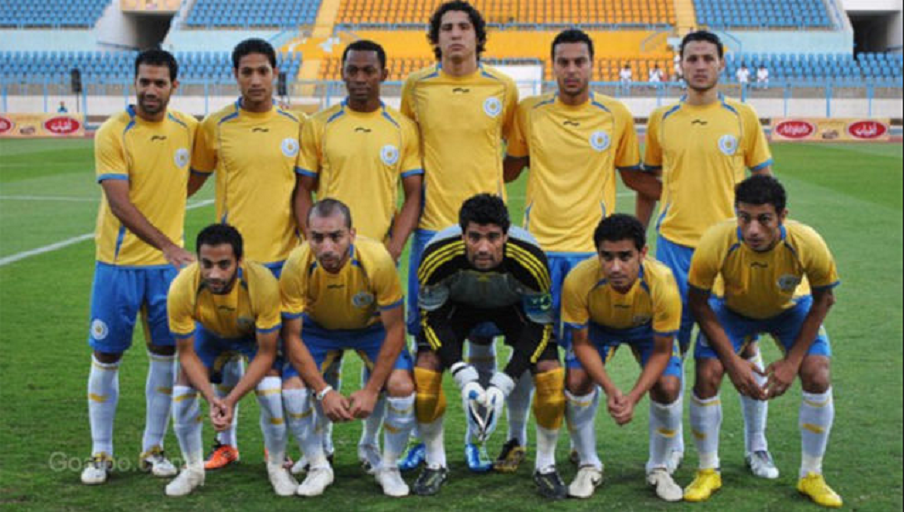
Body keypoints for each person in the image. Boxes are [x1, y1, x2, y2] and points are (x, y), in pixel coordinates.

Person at [501, 28, 659, 474]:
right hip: (537, 252)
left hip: (593, 258)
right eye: (563, 62)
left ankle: (576, 445)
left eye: (579, 62)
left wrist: (684, 193)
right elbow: (507, 170)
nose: (572, 70)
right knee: (529, 349)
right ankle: (515, 439)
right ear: (553, 66)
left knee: (577, 362)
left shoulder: (615, 115)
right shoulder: (529, 113)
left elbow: (633, 178)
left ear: (592, 64)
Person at [642, 30, 775, 478]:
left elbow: (764, 183)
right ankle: (673, 445)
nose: (699, 65)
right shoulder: (662, 119)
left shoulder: (743, 117)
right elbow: (649, 183)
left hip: (730, 251)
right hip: (672, 249)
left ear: (721, 64)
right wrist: (640, 236)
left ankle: (757, 445)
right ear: (680, 64)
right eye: (692, 58)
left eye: (707, 58)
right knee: (669, 350)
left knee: (744, 345)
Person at [400, 0, 519, 472]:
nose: (454, 35)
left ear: (477, 35)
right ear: (437, 37)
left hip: (488, 235)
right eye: (446, 28)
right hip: (432, 231)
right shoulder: (417, 88)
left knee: (484, 338)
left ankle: (478, 438)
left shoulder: (502, 88)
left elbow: (514, 152)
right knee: (425, 340)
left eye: (463, 27)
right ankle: (418, 439)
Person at [294, 39, 423, 474]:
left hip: (377, 264)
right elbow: (302, 190)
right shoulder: (319, 124)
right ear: (343, 73)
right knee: (321, 344)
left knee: (386, 356)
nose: (361, 79)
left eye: (369, 71)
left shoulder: (402, 127)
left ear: (384, 73)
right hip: (326, 256)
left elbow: (413, 195)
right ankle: (323, 444)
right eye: (352, 70)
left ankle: (371, 446)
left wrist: (393, 248)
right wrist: (310, 242)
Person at [683, 175, 842, 508]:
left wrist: (791, 362)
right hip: (732, 309)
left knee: (817, 373)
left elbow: (824, 299)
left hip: (789, 309)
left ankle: (811, 475)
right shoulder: (717, 240)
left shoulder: (806, 242)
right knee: (708, 373)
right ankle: (707, 470)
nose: (752, 229)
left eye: (763, 219)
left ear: (782, 216)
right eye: (744, 217)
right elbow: (698, 301)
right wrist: (732, 361)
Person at [80, 48, 197, 486]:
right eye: (144, 81)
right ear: (135, 82)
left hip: (165, 268)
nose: (151, 90)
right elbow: (119, 201)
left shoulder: (188, 129)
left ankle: (153, 447)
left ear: (173, 86)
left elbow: (197, 172)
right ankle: (101, 452)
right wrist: (166, 242)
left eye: (159, 82)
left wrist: (173, 206)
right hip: (117, 264)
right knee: (107, 354)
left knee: (165, 354)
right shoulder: (113, 133)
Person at [189, 38, 306, 470]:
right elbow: (191, 181)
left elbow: (304, 192)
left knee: (272, 365)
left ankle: (278, 450)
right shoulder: (215, 127)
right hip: (227, 266)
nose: (255, 79)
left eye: (263, 71)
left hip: (278, 264)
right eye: (246, 72)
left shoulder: (298, 125)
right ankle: (225, 443)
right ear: (235, 75)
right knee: (221, 355)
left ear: (275, 73)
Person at [411, 194, 566, 499]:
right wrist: (461, 371)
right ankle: (435, 461)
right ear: (462, 234)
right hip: (458, 305)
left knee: (551, 372)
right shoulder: (436, 255)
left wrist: (505, 381)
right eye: (475, 237)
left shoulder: (531, 258)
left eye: (493, 237)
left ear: (506, 235)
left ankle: (545, 465)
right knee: (425, 368)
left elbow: (539, 326)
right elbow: (433, 319)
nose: (483, 247)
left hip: (512, 305)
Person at [279, 199, 417, 497]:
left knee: (402, 386)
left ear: (352, 234)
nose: (326, 247)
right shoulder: (295, 265)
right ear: (307, 235)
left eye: (336, 237)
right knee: (291, 389)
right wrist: (324, 391)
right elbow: (292, 337)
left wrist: (371, 390)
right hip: (319, 329)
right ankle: (318, 465)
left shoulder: (378, 260)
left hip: (371, 327)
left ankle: (388, 466)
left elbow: (395, 328)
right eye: (317, 237)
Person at [164, 224, 297, 497]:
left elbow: (266, 353)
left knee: (271, 390)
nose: (214, 273)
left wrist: (231, 400)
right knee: (182, 389)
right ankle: (192, 469)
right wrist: (213, 398)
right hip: (211, 334)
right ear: (198, 260)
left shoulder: (262, 283)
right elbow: (186, 354)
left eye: (224, 264)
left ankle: (276, 466)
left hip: (252, 338)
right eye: (207, 264)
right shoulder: (181, 287)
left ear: (239, 261)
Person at [562, 214, 683, 502]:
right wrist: (613, 391)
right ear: (598, 254)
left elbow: (663, 350)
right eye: (607, 256)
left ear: (643, 253)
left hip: (644, 329)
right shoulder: (578, 280)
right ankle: (588, 463)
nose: (615, 267)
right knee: (576, 379)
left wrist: (634, 397)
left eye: (625, 256)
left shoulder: (663, 283)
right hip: (598, 328)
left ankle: (659, 467)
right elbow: (581, 343)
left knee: (668, 386)